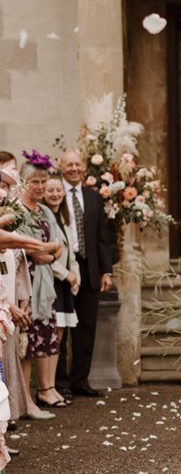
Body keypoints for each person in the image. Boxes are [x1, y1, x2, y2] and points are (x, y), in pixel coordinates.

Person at [58, 149, 114, 397]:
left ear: (83, 167)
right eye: (69, 164)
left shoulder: (93, 198)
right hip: (62, 269)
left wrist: (107, 271)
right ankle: (60, 384)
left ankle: (81, 381)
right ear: (61, 167)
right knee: (61, 328)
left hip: (89, 269)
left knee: (86, 328)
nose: (73, 168)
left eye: (77, 164)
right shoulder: (55, 194)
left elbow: (102, 238)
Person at [17, 159, 63, 414]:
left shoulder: (44, 211)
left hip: (45, 281)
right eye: (35, 181)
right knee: (25, 344)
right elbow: (21, 245)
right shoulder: (18, 210)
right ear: (25, 182)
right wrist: (38, 252)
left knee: (41, 340)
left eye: (44, 181)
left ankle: (36, 396)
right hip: (26, 280)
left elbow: (57, 244)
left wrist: (51, 255)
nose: (41, 186)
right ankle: (25, 401)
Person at [44, 176, 80, 375]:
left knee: (60, 335)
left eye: (58, 190)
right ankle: (50, 384)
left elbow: (71, 254)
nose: (55, 194)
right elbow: (46, 255)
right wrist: (66, 275)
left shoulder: (64, 217)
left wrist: (76, 278)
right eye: (50, 190)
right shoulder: (44, 217)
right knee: (53, 335)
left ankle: (55, 383)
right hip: (53, 281)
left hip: (66, 284)